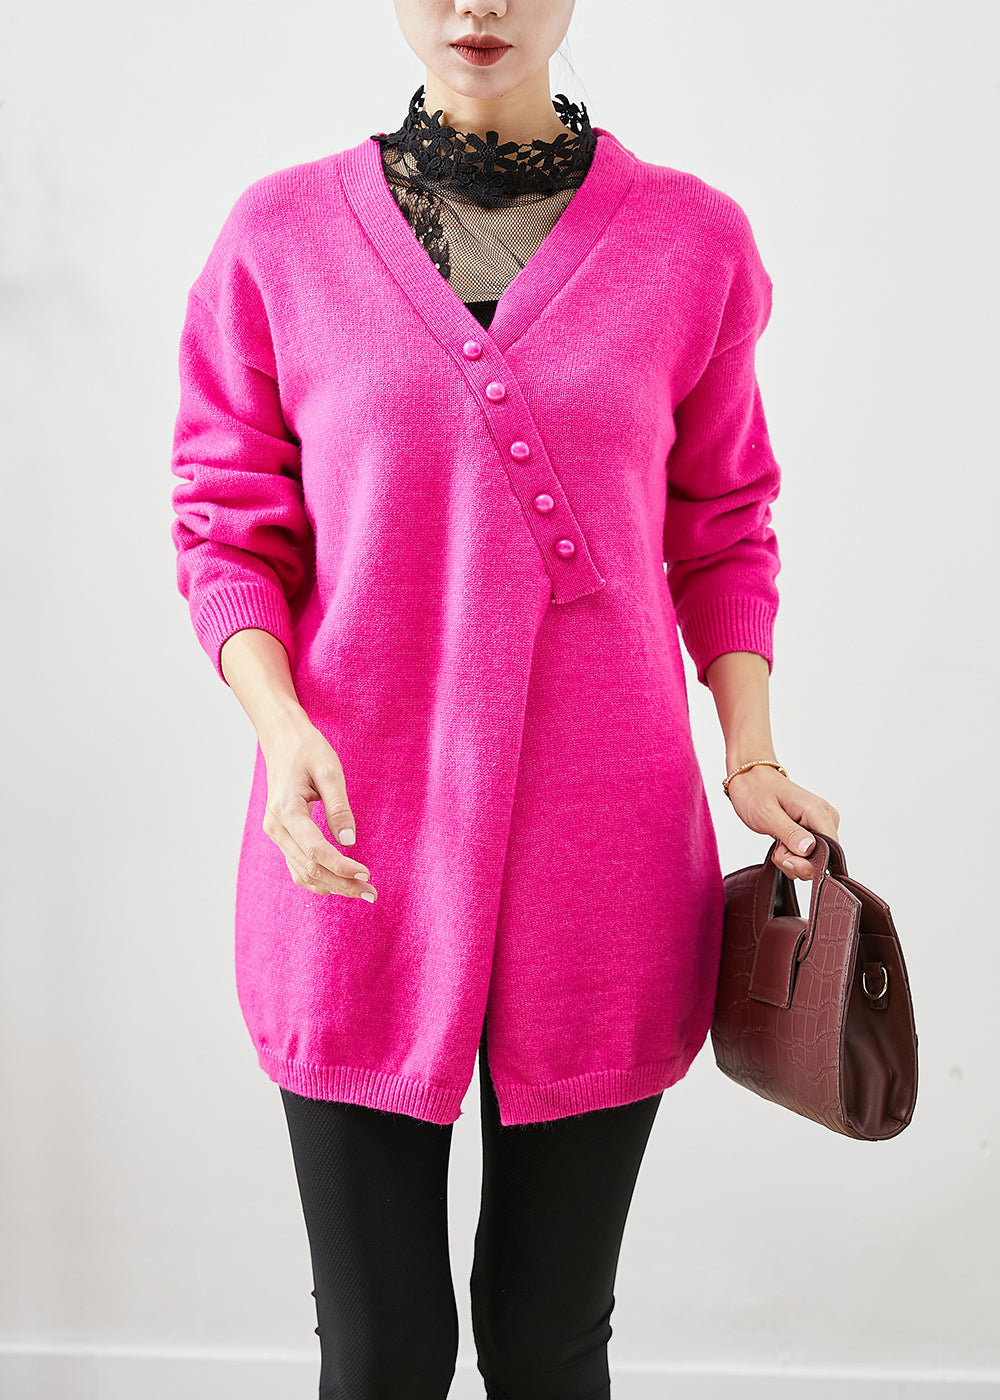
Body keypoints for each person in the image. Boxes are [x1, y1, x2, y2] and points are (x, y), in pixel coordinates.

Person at [169, 1, 841, 1395]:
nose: (479, 5)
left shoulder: (694, 243)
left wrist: (751, 753)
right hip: (352, 841)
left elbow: (724, 525)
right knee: (381, 1355)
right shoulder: (278, 237)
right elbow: (228, 527)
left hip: (606, 853)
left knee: (549, 1342)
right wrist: (280, 729)